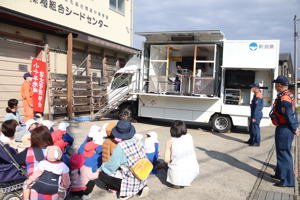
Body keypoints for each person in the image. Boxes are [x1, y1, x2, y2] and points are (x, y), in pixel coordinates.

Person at [99, 120, 149, 199]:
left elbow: (110, 167)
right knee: (125, 166)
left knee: (102, 174)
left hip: (131, 180)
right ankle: (142, 187)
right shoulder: (137, 140)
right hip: (143, 173)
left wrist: (102, 168)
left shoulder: (121, 147)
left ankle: (127, 192)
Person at [269, 75, 300, 187]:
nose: (275, 86)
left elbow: (289, 114)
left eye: (276, 84)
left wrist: (294, 128)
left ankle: (287, 181)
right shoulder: (288, 94)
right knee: (281, 152)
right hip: (284, 127)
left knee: (284, 153)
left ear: (280, 85)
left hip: (285, 128)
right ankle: (279, 174)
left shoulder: (284, 98)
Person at [164, 120, 199, 189]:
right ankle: (186, 180)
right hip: (193, 170)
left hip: (177, 174)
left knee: (165, 164)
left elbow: (166, 160)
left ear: (172, 130)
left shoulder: (170, 141)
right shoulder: (189, 136)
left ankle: (176, 182)